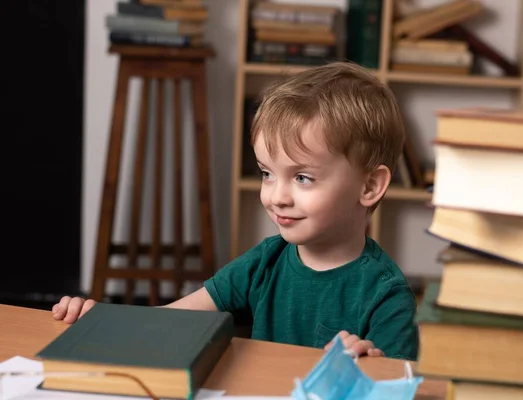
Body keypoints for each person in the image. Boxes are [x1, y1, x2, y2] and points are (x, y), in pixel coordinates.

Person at [53, 61, 419, 360]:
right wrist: (99, 318)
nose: (277, 197)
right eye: (266, 174)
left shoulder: (386, 295)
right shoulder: (265, 261)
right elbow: (172, 319)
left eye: (303, 178)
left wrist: (371, 365)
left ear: (369, 186)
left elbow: (397, 384)